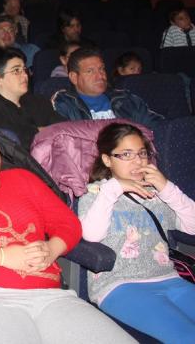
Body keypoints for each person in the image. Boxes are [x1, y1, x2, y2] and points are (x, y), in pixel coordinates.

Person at [0, 115, 134, 344]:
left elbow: (68, 223)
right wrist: (4, 256)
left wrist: (53, 248)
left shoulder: (23, 179)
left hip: (53, 298)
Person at [78, 123, 195, 342]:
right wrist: (114, 188)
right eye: (126, 154)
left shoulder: (155, 193)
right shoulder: (96, 194)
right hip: (119, 286)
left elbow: (193, 226)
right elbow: (92, 235)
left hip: (169, 279)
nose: (138, 161)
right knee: (188, 337)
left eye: (142, 153)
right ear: (107, 160)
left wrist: (167, 187)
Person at [0, 48, 63, 149]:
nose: (25, 75)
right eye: (16, 71)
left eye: (24, 69)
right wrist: (42, 131)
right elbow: (7, 140)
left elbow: (63, 128)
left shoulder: (38, 101)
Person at [51, 47, 163, 130]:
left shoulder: (125, 99)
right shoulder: (64, 104)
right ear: (74, 77)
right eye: (90, 71)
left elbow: (160, 127)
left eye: (101, 69)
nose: (100, 76)